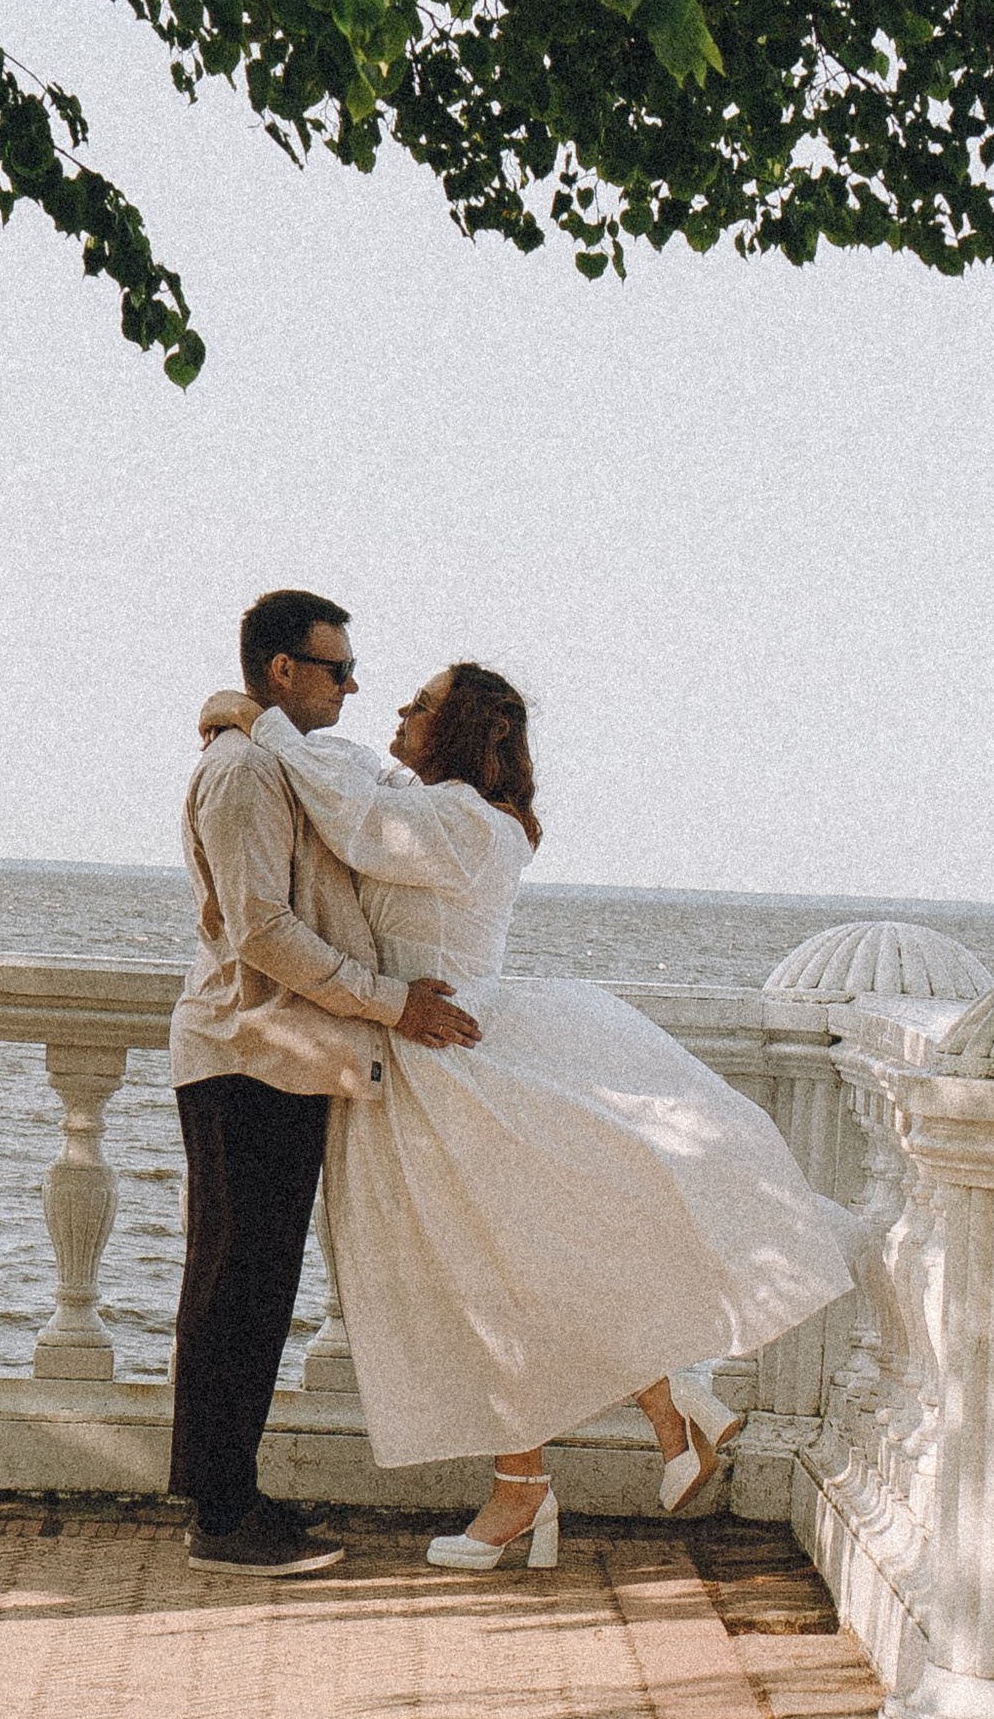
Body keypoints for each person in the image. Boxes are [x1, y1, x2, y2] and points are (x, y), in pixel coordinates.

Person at [196, 661, 852, 1567]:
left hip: (456, 1061)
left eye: (419, 705)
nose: (395, 707)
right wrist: (254, 719)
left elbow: (351, 817)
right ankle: (636, 1430)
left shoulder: (463, 822)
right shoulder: (437, 807)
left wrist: (256, 720)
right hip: (430, 1060)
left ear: (457, 731)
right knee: (500, 1281)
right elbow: (349, 782)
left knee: (503, 1279)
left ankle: (559, 1472)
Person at [169, 589, 482, 1572]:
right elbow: (262, 929)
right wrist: (393, 1003)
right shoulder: (247, 773)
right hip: (246, 1051)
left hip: (281, 1054)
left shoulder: (277, 763)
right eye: (337, 669)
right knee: (234, 1287)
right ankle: (221, 1518)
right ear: (282, 672)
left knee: (256, 1287)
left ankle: (232, 1497)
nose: (353, 685)